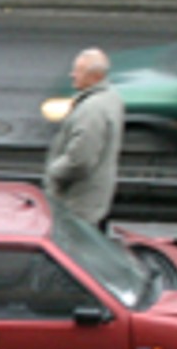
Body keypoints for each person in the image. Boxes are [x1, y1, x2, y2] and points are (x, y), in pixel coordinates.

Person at [43, 47, 125, 228]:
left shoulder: (92, 110)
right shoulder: (110, 98)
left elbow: (80, 161)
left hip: (79, 206)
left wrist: (53, 171)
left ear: (95, 77)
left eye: (78, 71)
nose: (72, 75)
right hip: (95, 202)